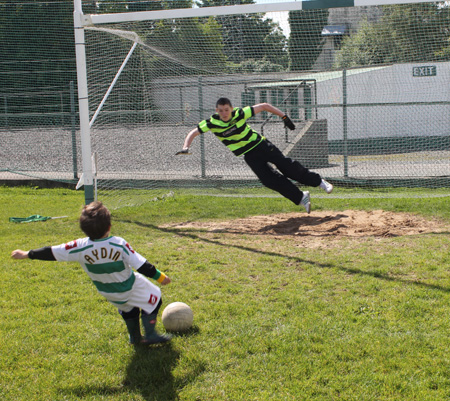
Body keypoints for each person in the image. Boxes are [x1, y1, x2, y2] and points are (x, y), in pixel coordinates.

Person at [11, 201, 171, 346]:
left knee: (129, 308)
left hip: (109, 292)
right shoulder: (119, 244)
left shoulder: (79, 247)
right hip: (128, 286)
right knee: (155, 298)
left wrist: (27, 253)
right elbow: (142, 265)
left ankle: (135, 338)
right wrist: (161, 277)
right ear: (109, 227)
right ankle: (150, 334)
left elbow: (51, 252)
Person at [176, 97, 333, 213]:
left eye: (227, 110)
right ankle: (300, 197)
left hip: (261, 145)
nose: (224, 113)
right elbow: (193, 132)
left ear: (231, 108)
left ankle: (319, 181)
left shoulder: (240, 113)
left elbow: (264, 106)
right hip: (248, 154)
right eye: (221, 110)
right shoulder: (211, 123)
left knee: (287, 167)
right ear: (216, 111)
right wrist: (185, 146)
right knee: (268, 180)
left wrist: (284, 116)